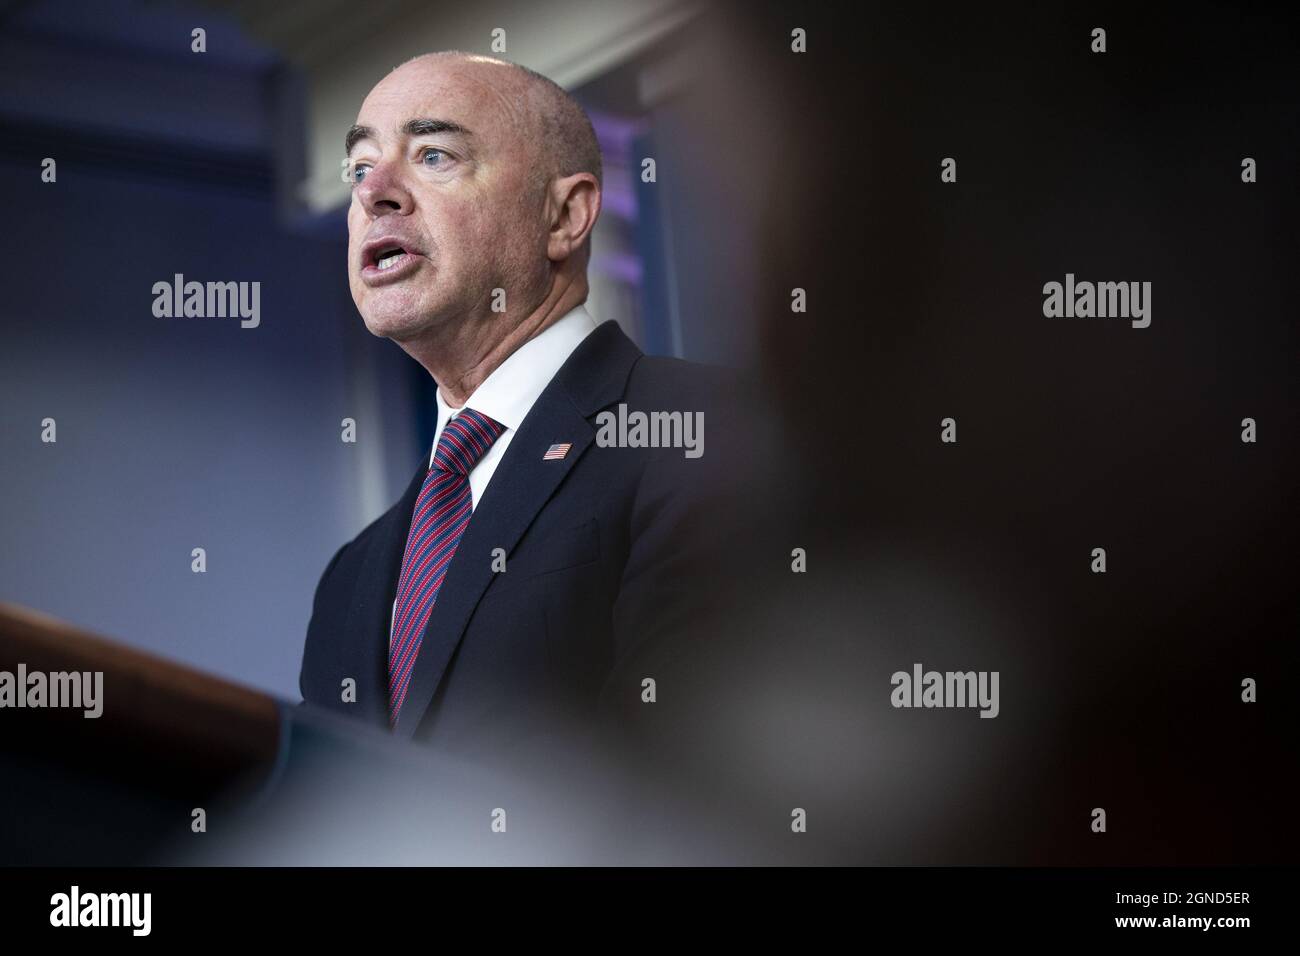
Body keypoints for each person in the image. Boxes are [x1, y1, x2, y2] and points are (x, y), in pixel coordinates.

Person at [299, 51, 743, 773]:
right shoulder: (351, 578)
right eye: (359, 169)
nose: (374, 192)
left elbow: (694, 790)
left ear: (563, 216)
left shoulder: (697, 432)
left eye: (434, 155)